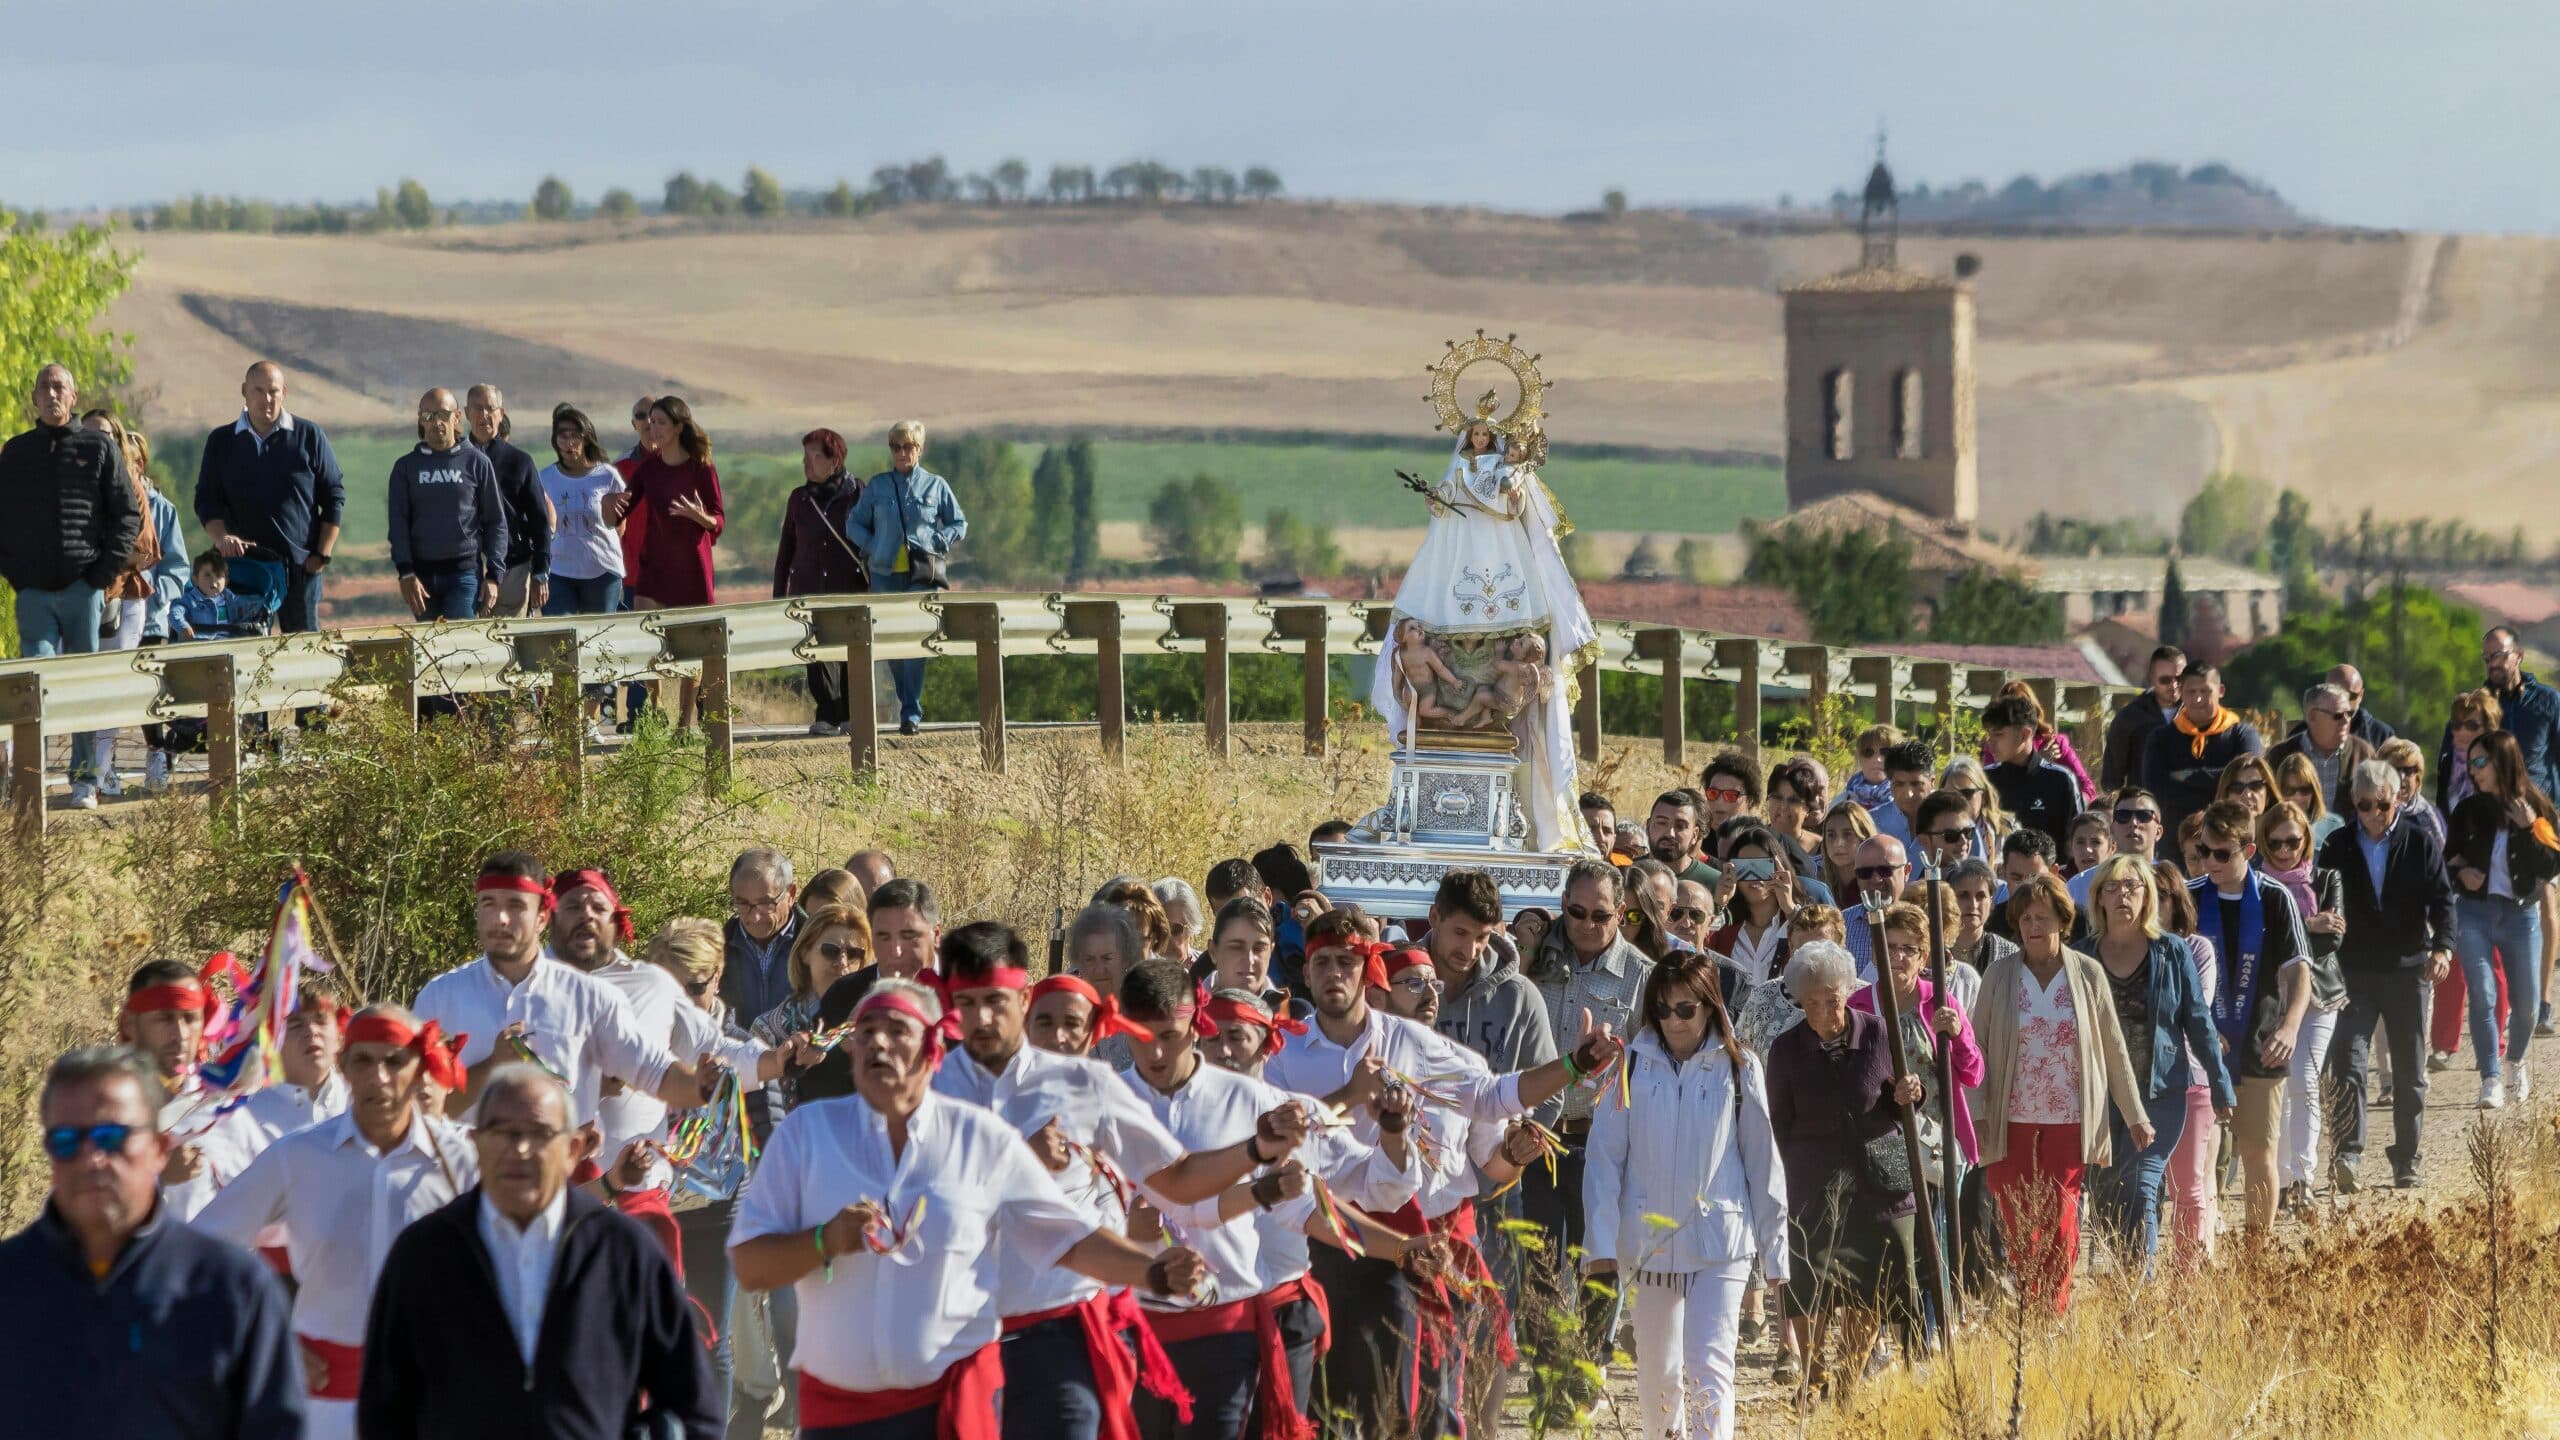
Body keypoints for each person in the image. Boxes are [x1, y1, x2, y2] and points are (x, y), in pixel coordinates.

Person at [732, 978, 1207, 1439]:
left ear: (933, 1050)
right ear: (851, 1049)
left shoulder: (980, 1139)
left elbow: (1069, 1240)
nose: (880, 1043)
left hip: (953, 1408)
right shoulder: (805, 1136)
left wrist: (1154, 1273)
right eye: (867, 1032)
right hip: (838, 1413)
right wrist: (825, 1241)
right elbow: (750, 1265)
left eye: (898, 1031)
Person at [932, 925, 1301, 1440]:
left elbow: (1178, 1179)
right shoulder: (932, 1087)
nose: (984, 1017)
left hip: (1063, 1333)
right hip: (961, 1337)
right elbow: (917, 1206)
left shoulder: (1089, 1087)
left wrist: (1256, 1151)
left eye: (996, 999)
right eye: (968, 1002)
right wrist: (1017, 1163)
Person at [1265, 925, 1623, 1433]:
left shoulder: (1413, 1045)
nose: (1334, 975)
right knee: (1326, 1410)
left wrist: (1575, 1063)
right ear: (1306, 971)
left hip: (1419, 1249)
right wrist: (1351, 1092)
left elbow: (1493, 1096)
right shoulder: (1284, 1053)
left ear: (1364, 971)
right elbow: (1271, 1140)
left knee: (1421, 1406)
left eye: (1347, 962)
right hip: (1321, 1242)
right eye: (1323, 962)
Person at [359, 1064, 717, 1440]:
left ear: (572, 1150)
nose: (520, 1150)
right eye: (502, 1132)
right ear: (476, 1143)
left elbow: (693, 1407)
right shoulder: (425, 1254)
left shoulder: (623, 1253)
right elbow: (384, 1410)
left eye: (539, 1133)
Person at [196, 1004, 477, 1440]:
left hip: (431, 1405)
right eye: (364, 1061)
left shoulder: (462, 1162)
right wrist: (263, 1341)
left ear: (421, 1067)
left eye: (395, 1061)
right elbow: (197, 1251)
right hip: (323, 1410)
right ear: (344, 1065)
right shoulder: (298, 1156)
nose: (379, 1077)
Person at [0, 1045, 302, 1439]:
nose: (92, 1159)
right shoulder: (11, 1284)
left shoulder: (232, 1289)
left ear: (159, 1150)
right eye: (68, 1142)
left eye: (111, 1138)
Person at [1583, 950, 1787, 1440]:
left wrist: (1776, 1256)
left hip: (1722, 1244)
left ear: (1709, 1006)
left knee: (1710, 1372)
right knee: (1659, 1377)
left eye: (1685, 1009)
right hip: (1648, 1244)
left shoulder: (1740, 1067)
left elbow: (1763, 1163)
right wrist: (1601, 1248)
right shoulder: (1628, 1065)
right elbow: (1604, 1160)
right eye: (1662, 1009)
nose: (1672, 1020)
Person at [409, 851, 721, 1125]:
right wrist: (493, 1066)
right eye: (489, 904)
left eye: (516, 905)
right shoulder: (440, 997)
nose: (501, 918)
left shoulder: (591, 998)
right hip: (466, 1183)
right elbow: (417, 1110)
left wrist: (701, 1085)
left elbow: (654, 1072)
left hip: (560, 1183)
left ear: (543, 917)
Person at [1967, 875, 2149, 1310]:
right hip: (2009, 1117)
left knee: (2062, 1219)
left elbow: (2113, 1046)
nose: (2034, 927)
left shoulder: (2087, 974)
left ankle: (2055, 1307)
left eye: (2043, 919)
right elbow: (1978, 1047)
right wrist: (1976, 1110)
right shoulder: (1999, 975)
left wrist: (2135, 1113)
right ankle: (2031, 1302)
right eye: (2026, 918)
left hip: (2069, 1117)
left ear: (2063, 923)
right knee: (2015, 1219)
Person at [1764, 942, 1923, 1393]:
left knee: (1878, 1273)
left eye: (1831, 1000)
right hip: (1814, 1178)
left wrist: (1911, 1094)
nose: (1823, 1012)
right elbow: (1779, 1122)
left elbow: (1901, 1099)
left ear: (1848, 993)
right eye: (1811, 1002)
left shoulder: (1879, 1032)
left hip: (1881, 1175)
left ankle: (1849, 1376)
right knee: (1809, 1274)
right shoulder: (1785, 1050)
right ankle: (1814, 1373)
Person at [1, 364, 143, 806]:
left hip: (84, 590)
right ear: (34, 398)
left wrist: (99, 579)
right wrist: (16, 576)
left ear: (74, 396)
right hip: (35, 595)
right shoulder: (16, 452)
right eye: (44, 387)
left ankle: (84, 781)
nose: (51, 393)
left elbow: (126, 516)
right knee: (34, 683)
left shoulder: (98, 447)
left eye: (59, 386)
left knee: (82, 686)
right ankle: (31, 782)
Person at [2079, 858, 2235, 1260]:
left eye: (2132, 886)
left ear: (2148, 895)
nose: (2122, 895)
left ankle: (2139, 1285)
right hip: (2100, 1096)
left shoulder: (2172, 951)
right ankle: (2123, 1279)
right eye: (2111, 888)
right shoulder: (2080, 957)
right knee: (2107, 1191)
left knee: (2143, 1185)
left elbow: (2197, 1019)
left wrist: (2220, 1082)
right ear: (2097, 899)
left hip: (2159, 1091)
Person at [2319, 763, 2455, 1189]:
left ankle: (2406, 1158)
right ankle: (2348, 1154)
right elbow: (2323, 899)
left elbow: (2442, 901)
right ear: (2354, 803)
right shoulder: (2338, 845)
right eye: (2364, 805)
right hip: (2354, 972)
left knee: (2411, 1072)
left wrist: (2443, 948)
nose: (2373, 813)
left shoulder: (2419, 842)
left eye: (2381, 804)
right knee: (2348, 1064)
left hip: (2407, 969)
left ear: (2396, 799)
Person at [2186, 800, 2312, 1228]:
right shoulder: (2189, 896)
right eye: (2204, 851)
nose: (2211, 862)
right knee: (2205, 1159)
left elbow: (2299, 972)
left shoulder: (2276, 898)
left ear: (2249, 851)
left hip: (2260, 1045)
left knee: (2259, 1153)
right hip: (2202, 1052)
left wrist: (2291, 1028)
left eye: (2223, 853)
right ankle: (2207, 1249)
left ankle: (2256, 1256)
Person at [162, 984, 348, 1239]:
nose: (311, 1032)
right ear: (271, 1042)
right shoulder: (242, 1117)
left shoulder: (362, 1104)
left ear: (339, 1036)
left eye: (321, 1021)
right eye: (295, 1024)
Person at [2445, 730, 2557, 1108]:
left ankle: (2514, 1064)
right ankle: (2490, 1077)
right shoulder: (2468, 809)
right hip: (2474, 912)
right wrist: (2462, 874)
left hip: (2520, 914)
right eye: (2470, 763)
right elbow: (2447, 859)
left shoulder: (2537, 807)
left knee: (2525, 1007)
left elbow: (2552, 865)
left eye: (2480, 762)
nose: (2473, 771)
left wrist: (2529, 830)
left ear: (2502, 761)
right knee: (2483, 994)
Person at [193, 360, 344, 635]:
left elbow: (334, 495)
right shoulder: (222, 441)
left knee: (302, 653)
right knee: (243, 650)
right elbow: (206, 500)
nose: (267, 399)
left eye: (273, 391)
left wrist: (321, 555)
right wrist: (221, 539)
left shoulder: (309, 436)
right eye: (258, 391)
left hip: (299, 569)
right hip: (241, 570)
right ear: (244, 392)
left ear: (284, 392)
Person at [79, 411, 183, 799]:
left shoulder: (146, 499)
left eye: (106, 434)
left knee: (118, 687)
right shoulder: (68, 484)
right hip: (79, 601)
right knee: (76, 688)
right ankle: (92, 771)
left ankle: (105, 769)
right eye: (88, 434)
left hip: (134, 603)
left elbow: (153, 553)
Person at [2250, 802, 2346, 1212]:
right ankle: (2284, 1176)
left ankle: (2301, 1179)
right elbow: (2260, 939)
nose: (2285, 850)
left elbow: (2333, 941)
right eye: (2275, 842)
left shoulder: (2326, 879)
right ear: (2262, 842)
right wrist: (2309, 924)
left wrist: (2297, 932)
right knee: (2281, 1087)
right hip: (2273, 999)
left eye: (2293, 841)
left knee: (2303, 1081)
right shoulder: (2255, 885)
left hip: (2321, 996)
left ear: (2306, 839)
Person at [608, 396, 725, 729]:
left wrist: (699, 516)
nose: (651, 427)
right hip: (654, 567)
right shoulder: (649, 468)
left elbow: (719, 520)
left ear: (677, 427)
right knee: (648, 639)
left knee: (694, 648)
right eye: (649, 421)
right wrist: (609, 506)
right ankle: (654, 708)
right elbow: (622, 509)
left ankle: (683, 725)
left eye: (659, 422)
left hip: (691, 565)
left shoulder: (701, 467)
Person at [845, 420, 967, 736]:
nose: (901, 452)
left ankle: (911, 712)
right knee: (890, 647)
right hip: (884, 574)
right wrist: (872, 545)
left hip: (921, 574)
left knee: (914, 643)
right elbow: (853, 524)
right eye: (896, 447)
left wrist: (939, 540)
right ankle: (906, 701)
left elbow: (959, 522)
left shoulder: (936, 485)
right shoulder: (878, 486)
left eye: (908, 446)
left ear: (919, 449)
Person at [2471, 630, 2560, 1040]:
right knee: (2497, 906)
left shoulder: (2548, 703)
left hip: (2538, 815)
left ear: (2519, 656)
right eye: (2487, 656)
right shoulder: (2481, 704)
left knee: (2544, 900)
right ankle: (2505, 1002)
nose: (2493, 663)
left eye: (2499, 655)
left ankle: (2542, 1004)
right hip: (2491, 816)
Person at [2149, 865, 2223, 1265]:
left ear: (2177, 900)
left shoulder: (2197, 949)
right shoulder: (2116, 949)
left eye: (2160, 894)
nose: (2151, 903)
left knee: (2187, 1186)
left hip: (2190, 1077)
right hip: (2136, 1082)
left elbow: (2194, 1012)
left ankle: (2187, 1281)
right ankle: (2134, 1275)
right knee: (2137, 1188)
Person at [774, 427, 868, 736]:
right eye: (805, 456)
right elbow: (786, 549)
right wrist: (780, 596)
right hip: (808, 588)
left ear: (835, 460)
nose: (807, 462)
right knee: (816, 652)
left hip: (849, 587)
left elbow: (873, 539)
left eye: (815, 456)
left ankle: (852, 713)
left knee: (849, 652)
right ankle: (827, 714)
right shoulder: (799, 499)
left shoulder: (858, 493)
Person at [538, 405, 627, 732]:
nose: (569, 441)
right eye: (563, 434)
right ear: (555, 440)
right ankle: (563, 719)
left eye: (575, 434)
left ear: (586, 436)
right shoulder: (545, 477)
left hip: (601, 571)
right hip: (559, 571)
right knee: (559, 645)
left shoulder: (606, 475)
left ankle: (591, 719)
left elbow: (620, 525)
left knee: (598, 644)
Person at [389, 389, 507, 623]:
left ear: (457, 417)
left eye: (443, 414)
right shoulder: (406, 468)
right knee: (430, 650)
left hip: (463, 574)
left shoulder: (476, 462)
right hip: (421, 579)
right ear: (420, 420)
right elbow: (398, 524)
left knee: (458, 645)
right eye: (429, 416)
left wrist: (494, 575)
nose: (437, 422)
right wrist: (406, 572)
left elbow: (495, 521)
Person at [2143, 665, 2265, 854]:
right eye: (2191, 692)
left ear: (2221, 691)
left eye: (2205, 691)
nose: (2198, 699)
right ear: (2181, 692)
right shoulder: (2160, 738)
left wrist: (2184, 776)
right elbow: (2157, 789)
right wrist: (2220, 781)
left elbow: (2245, 779)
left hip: (2229, 845)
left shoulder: (2242, 735)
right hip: (2174, 845)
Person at [464, 385, 553, 618]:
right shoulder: (456, 461)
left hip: (513, 567)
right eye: (477, 408)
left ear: (501, 414)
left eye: (490, 408)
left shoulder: (520, 461)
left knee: (510, 643)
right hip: (465, 569)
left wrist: (541, 571)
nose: (484, 415)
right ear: (465, 413)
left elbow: (539, 518)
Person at [1983, 695, 2083, 851]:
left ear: (2025, 734)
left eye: (1998, 734)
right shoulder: (1984, 780)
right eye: (1989, 735)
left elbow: (2078, 841)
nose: (1990, 743)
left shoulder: (2060, 780)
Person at [721, 848, 802, 1032]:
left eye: (765, 903)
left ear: (791, 894)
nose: (755, 917)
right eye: (742, 904)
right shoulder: (717, 950)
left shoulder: (820, 945)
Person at [2268, 682, 2374, 816]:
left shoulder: (2364, 753)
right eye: (2338, 716)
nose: (2346, 721)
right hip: (2295, 835)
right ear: (2312, 716)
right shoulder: (2280, 755)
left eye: (2349, 714)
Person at [1707, 828, 1798, 985]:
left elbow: (1817, 955)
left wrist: (1790, 910)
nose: (1755, 877)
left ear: (1779, 868)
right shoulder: (1724, 926)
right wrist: (1718, 904)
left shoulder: (1797, 921)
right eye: (1745, 868)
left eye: (1762, 867)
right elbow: (1696, 949)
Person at [2101, 646, 2185, 793]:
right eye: (2165, 680)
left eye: (2179, 678)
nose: (2174, 685)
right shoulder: (2130, 718)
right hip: (2144, 810)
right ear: (2151, 678)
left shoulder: (2201, 715)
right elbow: (2112, 778)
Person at [2069, 788, 2164, 917]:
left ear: (2158, 831)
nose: (2133, 823)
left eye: (2144, 815)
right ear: (2112, 829)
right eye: (2123, 816)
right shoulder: (2079, 886)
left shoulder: (2173, 885)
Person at [1839, 834, 1910, 978]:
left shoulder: (1927, 922)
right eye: (1865, 873)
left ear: (1907, 871)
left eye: (1885, 870)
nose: (1876, 879)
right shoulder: (1840, 924)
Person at [1866, 740, 1937, 850]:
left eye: (1916, 784)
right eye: (1899, 784)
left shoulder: (1950, 822)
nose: (1908, 794)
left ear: (1932, 782)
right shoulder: (1871, 822)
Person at [1645, 789, 1721, 889]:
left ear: (1695, 835)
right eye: (1662, 823)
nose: (1670, 834)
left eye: (1680, 826)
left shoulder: (1715, 883)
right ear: (1648, 826)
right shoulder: (1626, 876)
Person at [2273, 752, 2343, 849]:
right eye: (2289, 790)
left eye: (2304, 790)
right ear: (2279, 791)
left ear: (2314, 791)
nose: (2297, 797)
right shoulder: (2269, 827)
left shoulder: (2333, 826)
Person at [1818, 800, 1879, 902]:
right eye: (1831, 835)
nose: (1838, 843)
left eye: (1847, 834)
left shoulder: (1879, 883)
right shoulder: (1816, 885)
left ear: (1864, 838)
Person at [1699, 750, 1762, 829]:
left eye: (1731, 795)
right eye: (1713, 793)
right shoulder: (1694, 838)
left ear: (1750, 800)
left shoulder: (1763, 840)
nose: (1719, 801)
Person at [1846, 725, 1902, 812]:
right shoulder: (1842, 800)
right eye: (1868, 752)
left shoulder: (1908, 801)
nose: (1877, 759)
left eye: (1886, 752)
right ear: (1858, 757)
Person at [2214, 751, 2279, 825]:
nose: (2247, 795)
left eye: (2255, 786)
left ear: (2268, 795)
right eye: (2237, 788)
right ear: (2226, 796)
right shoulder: (2210, 835)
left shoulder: (2287, 834)